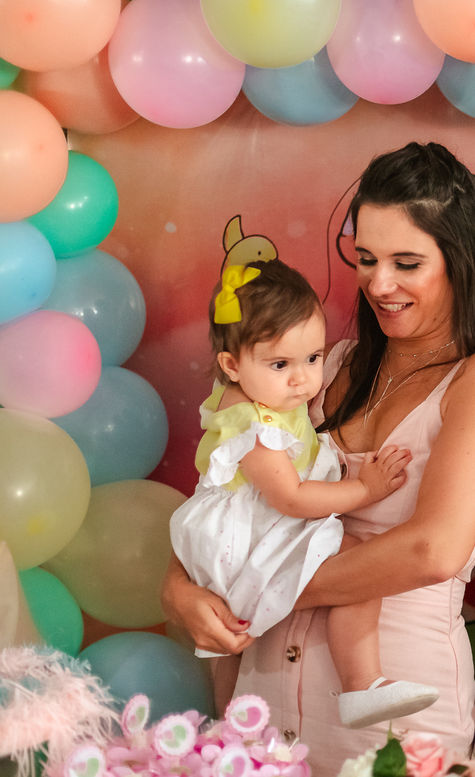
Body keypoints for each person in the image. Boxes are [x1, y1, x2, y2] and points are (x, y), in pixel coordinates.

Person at [161, 142, 475, 770]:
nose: (379, 284)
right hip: (264, 704)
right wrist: (180, 591)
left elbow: (431, 549)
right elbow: (230, 502)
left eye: (407, 263)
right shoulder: (324, 367)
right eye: (366, 259)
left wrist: (252, 590)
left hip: (396, 709)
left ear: (459, 260)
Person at [169, 258, 437, 729]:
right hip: (248, 532)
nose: (302, 379)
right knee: (359, 561)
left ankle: (227, 722)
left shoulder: (268, 398)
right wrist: (363, 489)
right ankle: (361, 684)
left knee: (233, 641)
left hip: (247, 531)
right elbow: (289, 498)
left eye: (313, 359)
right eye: (280, 364)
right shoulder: (251, 422)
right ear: (231, 365)